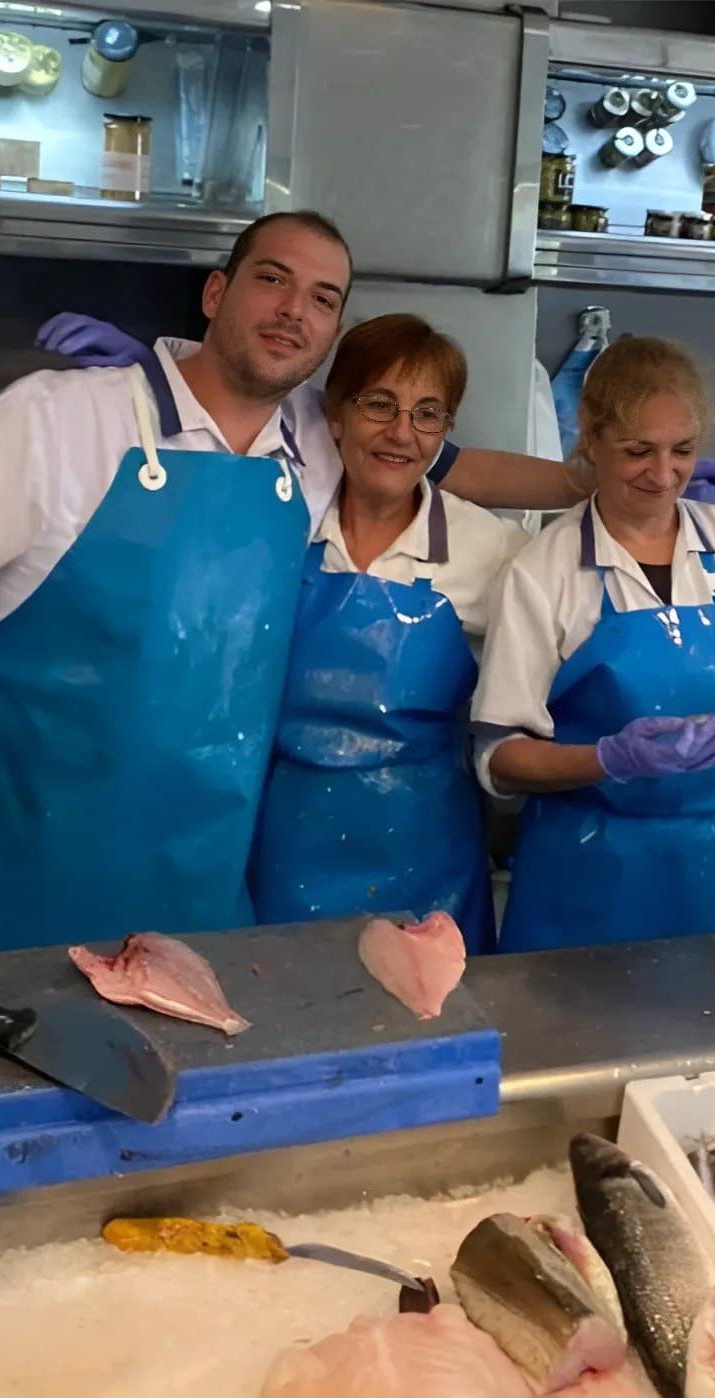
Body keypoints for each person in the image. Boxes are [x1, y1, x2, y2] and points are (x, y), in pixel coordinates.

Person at [0, 210, 588, 998]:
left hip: (201, 860)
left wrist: (603, 484)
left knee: (187, 1085)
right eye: (272, 279)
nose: (292, 311)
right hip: (33, 837)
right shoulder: (66, 416)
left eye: (322, 298)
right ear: (215, 292)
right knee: (0, 1067)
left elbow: (445, 464)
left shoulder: (312, 438)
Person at [472, 338, 715, 954]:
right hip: (586, 868)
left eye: (682, 451)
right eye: (638, 451)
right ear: (589, 436)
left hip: (713, 863)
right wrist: (609, 759)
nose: (663, 476)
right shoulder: (543, 570)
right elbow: (502, 756)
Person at [249, 315, 525, 953]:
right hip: (281, 852)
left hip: (428, 871)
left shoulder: (493, 551)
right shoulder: (278, 525)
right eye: (380, 405)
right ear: (336, 416)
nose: (402, 433)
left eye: (428, 414)